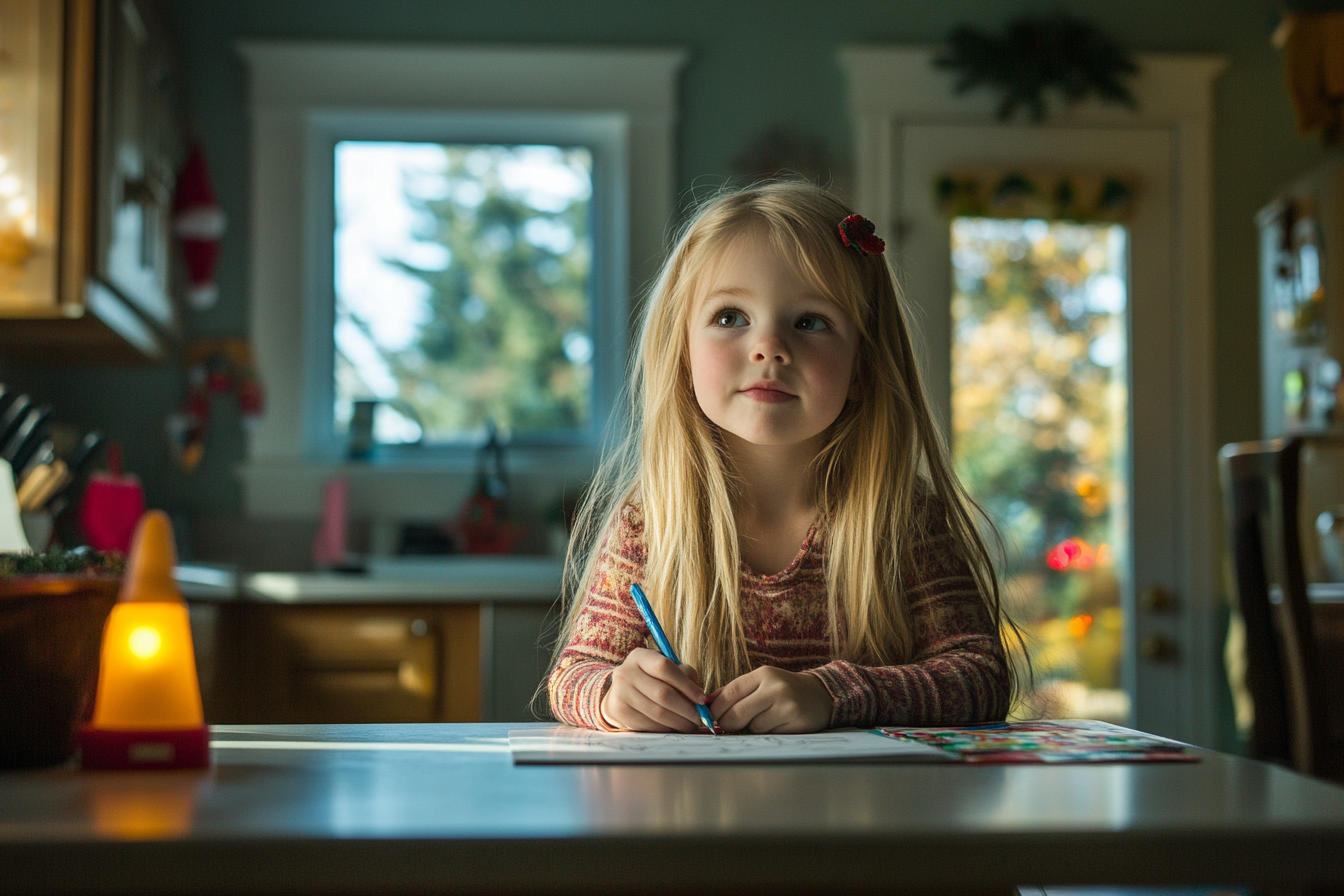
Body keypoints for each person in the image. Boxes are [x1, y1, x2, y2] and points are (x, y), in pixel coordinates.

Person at [546, 180, 1022, 734]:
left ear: (863, 366)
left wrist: (835, 694)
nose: (768, 347)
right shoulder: (651, 523)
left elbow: (981, 677)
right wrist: (613, 696)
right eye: (730, 317)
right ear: (682, 355)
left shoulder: (903, 520)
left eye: (811, 321)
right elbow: (573, 676)